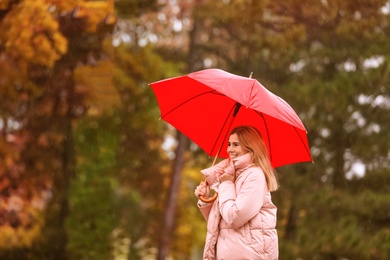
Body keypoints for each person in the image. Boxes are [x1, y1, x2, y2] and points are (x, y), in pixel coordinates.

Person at [194, 125, 279, 260]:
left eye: (235, 145)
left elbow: (234, 217)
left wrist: (227, 184)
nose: (229, 149)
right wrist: (206, 198)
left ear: (250, 147)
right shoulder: (232, 174)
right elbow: (219, 222)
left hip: (249, 255)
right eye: (229, 144)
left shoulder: (254, 176)